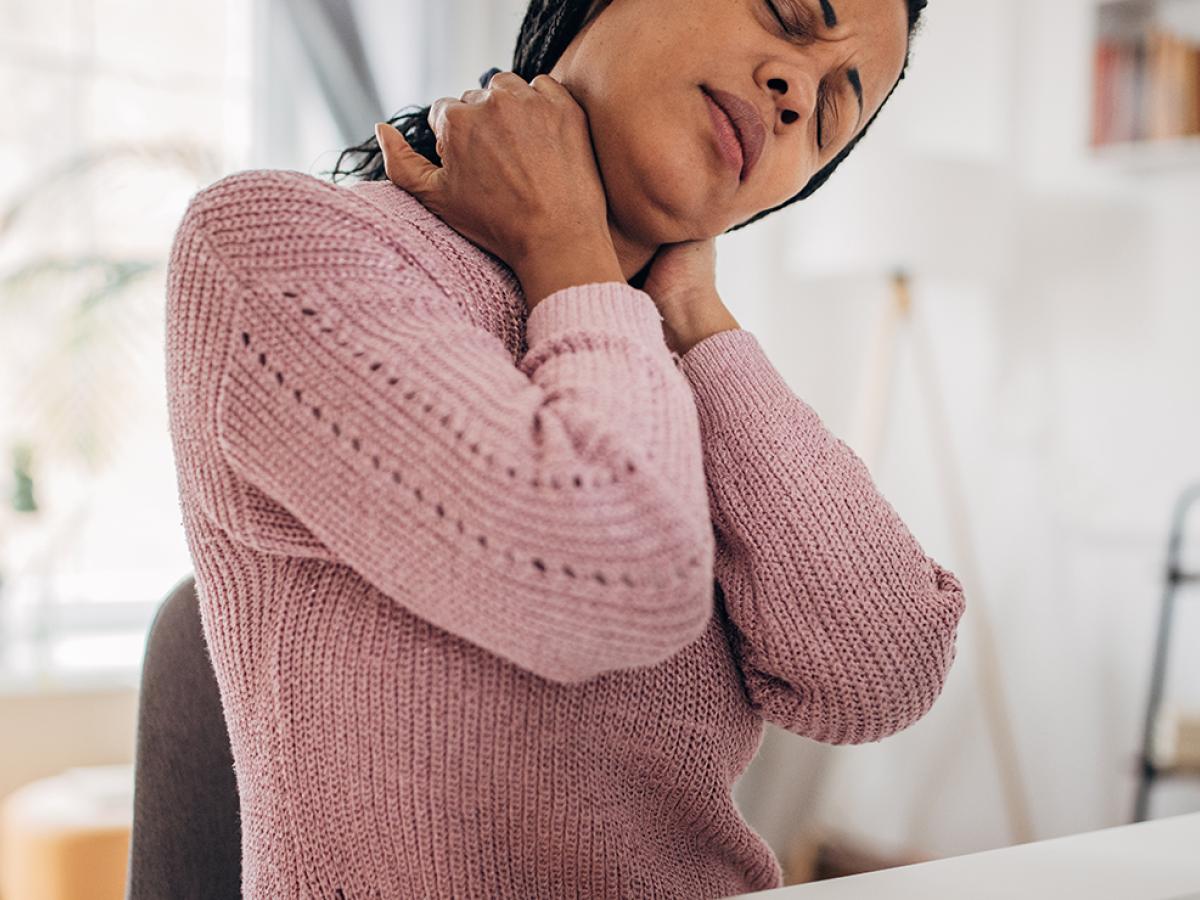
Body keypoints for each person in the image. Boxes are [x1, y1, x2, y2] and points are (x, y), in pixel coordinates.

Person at [163, 0, 965, 896]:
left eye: (827, 117)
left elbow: (881, 671)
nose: (793, 94)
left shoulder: (660, 352)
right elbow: (611, 579)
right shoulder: (276, 244)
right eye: (787, 14)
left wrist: (696, 316)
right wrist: (570, 245)